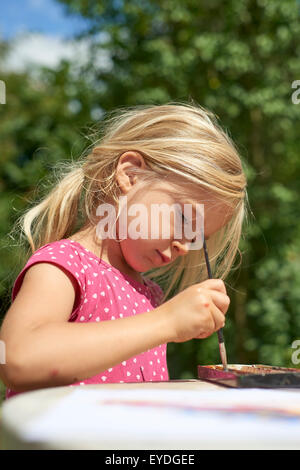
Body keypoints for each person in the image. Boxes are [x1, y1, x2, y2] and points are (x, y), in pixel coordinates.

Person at [0, 102, 247, 399]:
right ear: (131, 175)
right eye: (184, 218)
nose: (186, 244)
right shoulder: (65, 266)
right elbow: (17, 357)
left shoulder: (148, 296)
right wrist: (166, 322)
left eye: (199, 236)